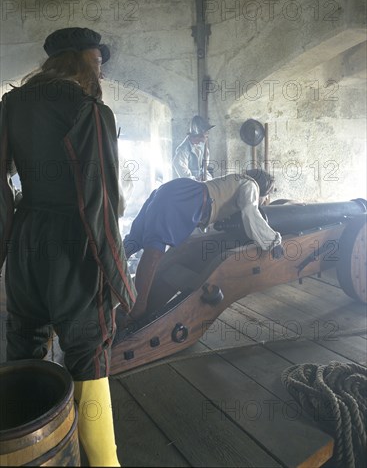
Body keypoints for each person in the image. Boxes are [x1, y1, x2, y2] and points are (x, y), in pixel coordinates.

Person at [0, 27, 136, 467]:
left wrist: (4, 245)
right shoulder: (89, 109)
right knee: (88, 351)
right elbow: (102, 202)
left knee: (24, 341)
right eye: (96, 63)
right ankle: (103, 463)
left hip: (26, 238)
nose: (100, 72)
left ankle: (21, 452)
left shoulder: (11, 105)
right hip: (75, 244)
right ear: (78, 62)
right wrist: (118, 276)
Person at [123, 169, 283, 320]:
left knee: (133, 241)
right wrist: (272, 241)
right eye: (265, 197)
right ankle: (138, 307)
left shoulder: (237, 179)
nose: (263, 201)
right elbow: (251, 212)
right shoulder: (251, 186)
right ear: (263, 189)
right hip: (191, 198)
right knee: (155, 250)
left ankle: (107, 290)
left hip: (171, 189)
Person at [172, 115, 215, 180]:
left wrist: (209, 181)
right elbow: (180, 168)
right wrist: (195, 180)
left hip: (200, 182)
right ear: (198, 135)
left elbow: (204, 168)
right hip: (189, 185)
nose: (207, 136)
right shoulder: (183, 150)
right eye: (205, 134)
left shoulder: (202, 147)